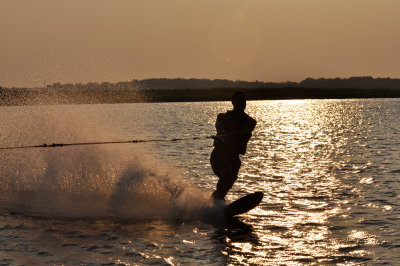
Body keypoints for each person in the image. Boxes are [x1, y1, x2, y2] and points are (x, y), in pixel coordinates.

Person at [210, 91, 257, 203]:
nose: (242, 103)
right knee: (227, 174)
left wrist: (238, 133)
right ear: (233, 102)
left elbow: (247, 128)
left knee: (230, 179)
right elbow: (219, 127)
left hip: (233, 158)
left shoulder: (250, 121)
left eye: (244, 101)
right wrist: (226, 133)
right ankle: (216, 200)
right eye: (239, 101)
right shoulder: (222, 117)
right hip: (219, 156)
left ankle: (216, 201)